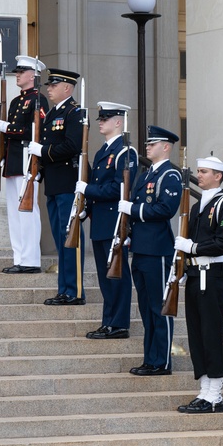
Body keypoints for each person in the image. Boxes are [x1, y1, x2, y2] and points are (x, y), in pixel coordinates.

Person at [174, 155, 223, 413]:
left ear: (218, 176)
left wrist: (194, 247)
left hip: (213, 274)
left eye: (204, 172)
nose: (199, 175)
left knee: (212, 333)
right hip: (194, 274)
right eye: (199, 171)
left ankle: (215, 394)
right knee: (197, 334)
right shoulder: (198, 205)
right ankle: (204, 390)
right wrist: (180, 266)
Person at [119, 126, 182, 376]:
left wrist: (132, 211)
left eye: (153, 144)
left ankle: (162, 362)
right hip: (141, 249)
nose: (148, 147)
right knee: (146, 307)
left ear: (166, 147)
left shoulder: (170, 176)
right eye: (147, 143)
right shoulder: (146, 175)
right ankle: (150, 358)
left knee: (159, 307)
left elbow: (165, 210)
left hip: (157, 250)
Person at [79, 102, 137, 339]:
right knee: (105, 276)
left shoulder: (126, 152)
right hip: (101, 221)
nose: (100, 121)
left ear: (118, 122)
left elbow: (118, 188)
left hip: (115, 221)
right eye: (100, 118)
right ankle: (108, 321)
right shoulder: (103, 151)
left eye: (106, 118)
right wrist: (86, 208)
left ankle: (120, 323)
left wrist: (88, 191)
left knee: (117, 274)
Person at [29, 68, 86, 306]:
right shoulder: (52, 114)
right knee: (60, 239)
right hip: (53, 185)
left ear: (67, 88)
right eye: (49, 85)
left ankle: (75, 291)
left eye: (54, 85)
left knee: (70, 238)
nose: (49, 89)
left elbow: (73, 146)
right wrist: (38, 171)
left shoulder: (75, 113)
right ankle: (64, 288)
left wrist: (42, 152)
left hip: (67, 184)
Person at [0, 55, 47, 274]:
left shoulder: (38, 100)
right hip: (13, 161)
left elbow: (37, 132)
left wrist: (9, 128)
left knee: (27, 211)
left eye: (21, 72)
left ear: (32, 75)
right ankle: (19, 257)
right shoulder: (17, 101)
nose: (17, 75)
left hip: (28, 159)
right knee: (14, 213)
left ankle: (31, 260)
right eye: (17, 72)